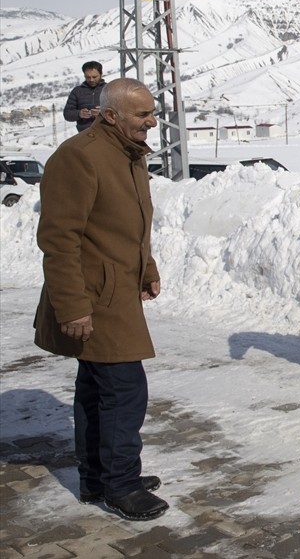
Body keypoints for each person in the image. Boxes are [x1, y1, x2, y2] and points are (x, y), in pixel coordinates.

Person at [34, 77, 169, 521]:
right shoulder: (79, 159)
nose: (153, 121)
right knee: (125, 391)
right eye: (143, 115)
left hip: (117, 292)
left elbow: (127, 225)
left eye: (152, 112)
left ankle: (97, 477)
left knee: (96, 389)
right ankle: (121, 485)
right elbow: (59, 239)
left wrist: (146, 268)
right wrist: (71, 306)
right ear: (110, 115)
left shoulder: (126, 154)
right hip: (92, 296)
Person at [63, 61, 106, 132]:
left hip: (106, 133)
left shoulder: (109, 89)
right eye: (88, 77)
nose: (91, 80)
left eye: (94, 77)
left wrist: (103, 113)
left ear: (101, 74)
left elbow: (120, 112)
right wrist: (79, 114)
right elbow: (67, 114)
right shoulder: (77, 91)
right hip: (85, 133)